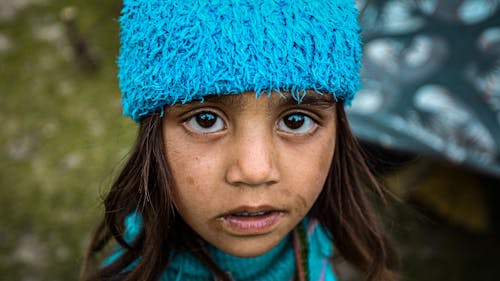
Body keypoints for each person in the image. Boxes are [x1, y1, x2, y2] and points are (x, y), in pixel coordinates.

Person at [82, 0, 399, 280]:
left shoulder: (315, 237)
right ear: (153, 136)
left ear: (337, 131)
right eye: (206, 120)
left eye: (295, 120)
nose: (254, 171)